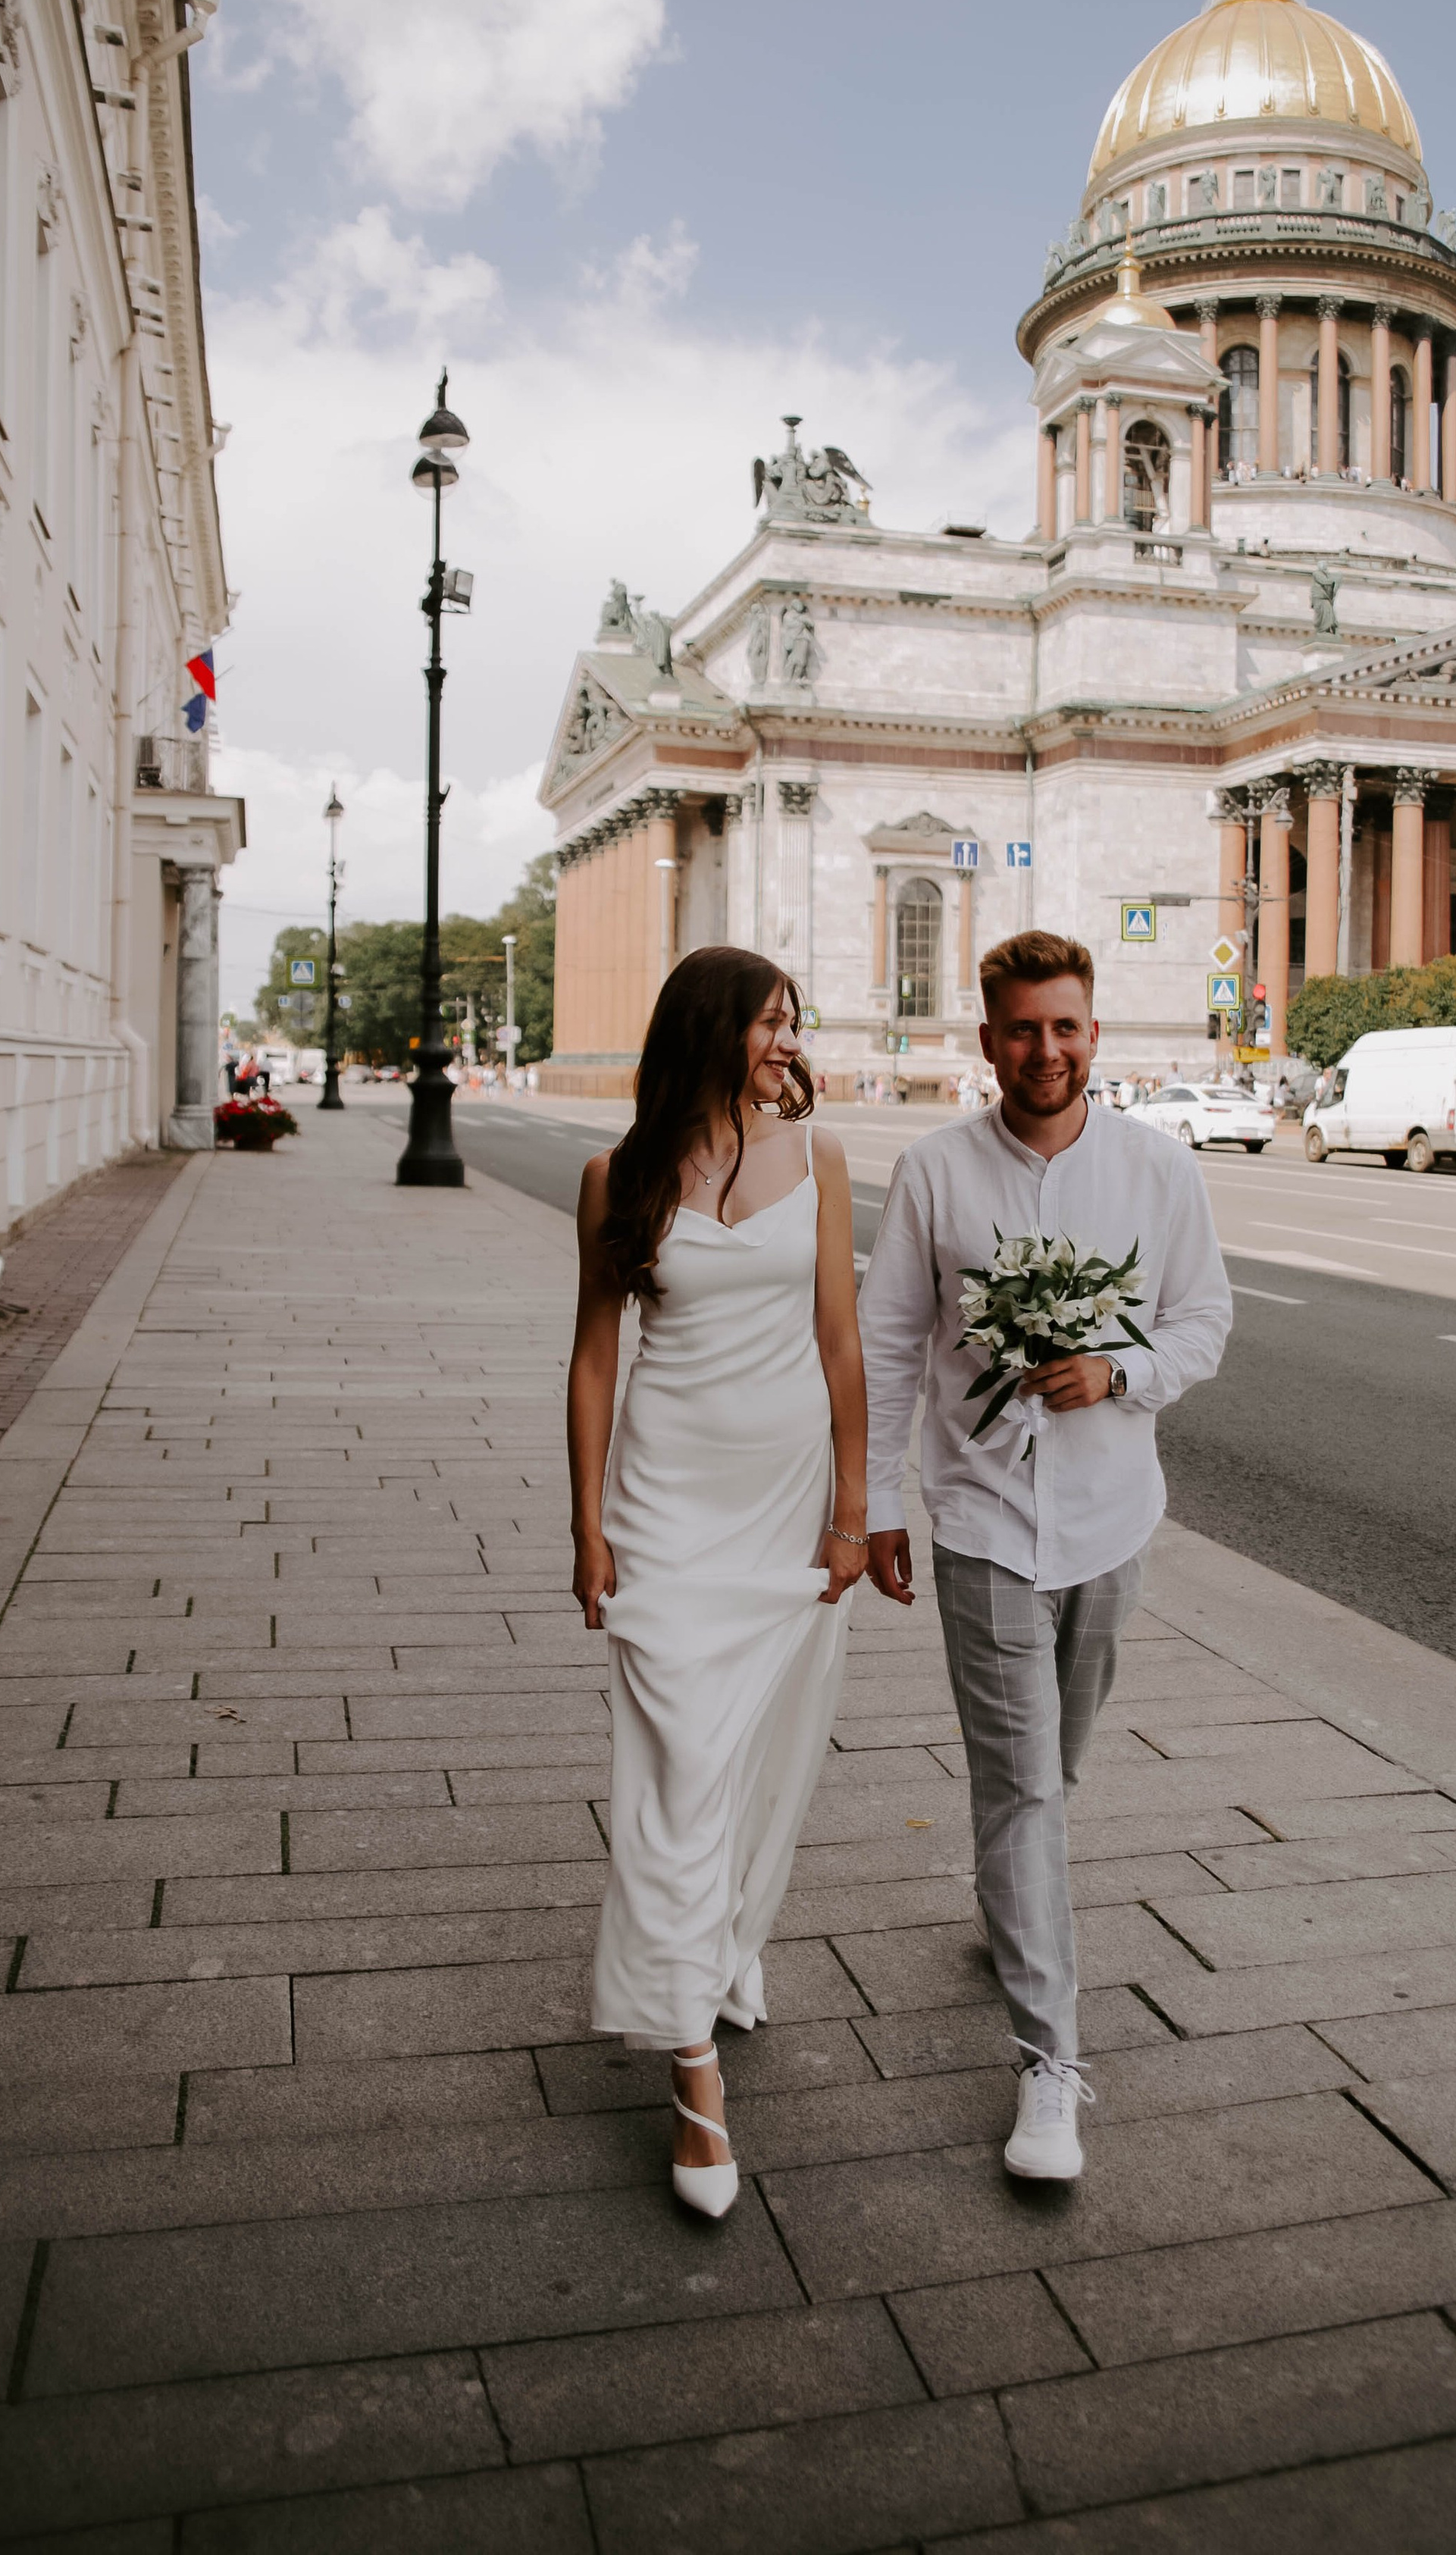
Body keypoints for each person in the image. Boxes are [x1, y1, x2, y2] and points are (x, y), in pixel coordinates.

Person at [860, 929, 1231, 2184]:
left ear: (1093, 1034)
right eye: (1022, 1029)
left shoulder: (1158, 1172)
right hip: (977, 1523)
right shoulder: (934, 1173)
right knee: (1021, 1785)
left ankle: (1011, 1905)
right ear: (988, 1042)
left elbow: (1204, 1322)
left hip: (1113, 1516)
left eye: (1065, 1027)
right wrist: (874, 1505)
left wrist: (1117, 1372)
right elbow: (891, 1346)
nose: (1047, 1050)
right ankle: (1049, 2063)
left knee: (1051, 1773)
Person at [567, 947, 878, 2220]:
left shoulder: (823, 1161)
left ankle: (725, 1946)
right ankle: (691, 2071)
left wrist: (855, 1509)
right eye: (768, 1021)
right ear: (710, 1031)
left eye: (791, 1022)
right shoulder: (617, 1179)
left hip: (782, 1508)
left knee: (757, 1756)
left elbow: (842, 1342)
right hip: (666, 1507)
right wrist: (585, 1526)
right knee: (680, 1766)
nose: (784, 1041)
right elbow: (594, 1359)